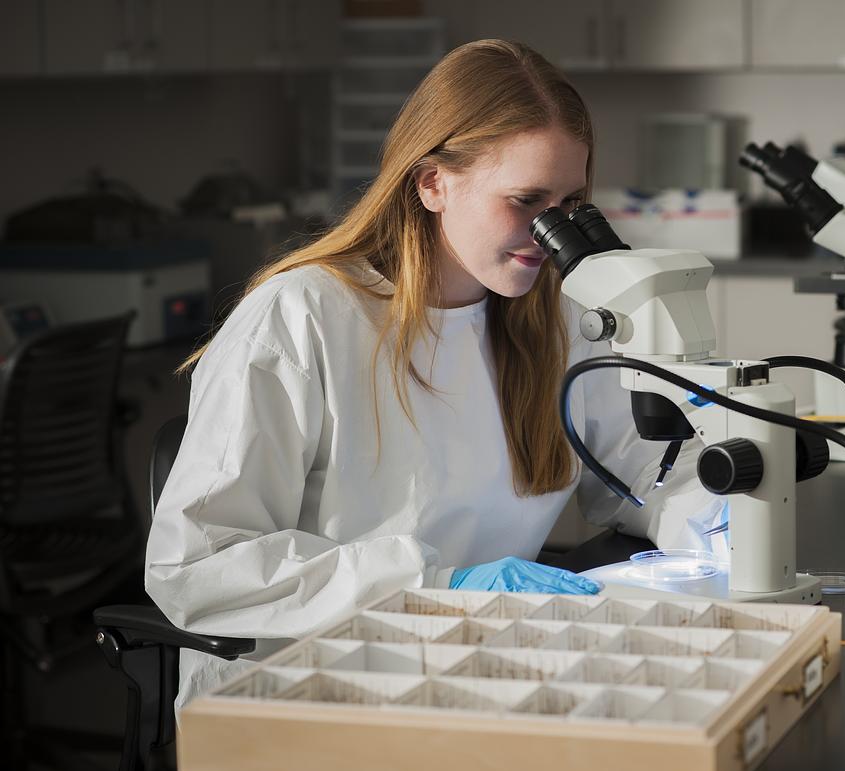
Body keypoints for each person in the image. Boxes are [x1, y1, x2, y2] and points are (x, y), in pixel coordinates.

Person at [144, 40, 723, 708]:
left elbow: (643, 472)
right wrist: (436, 587)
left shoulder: (555, 318)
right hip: (303, 691)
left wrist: (717, 519)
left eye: (569, 203)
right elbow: (198, 570)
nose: (550, 230)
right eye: (525, 199)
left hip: (476, 669)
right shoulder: (303, 316)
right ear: (432, 183)